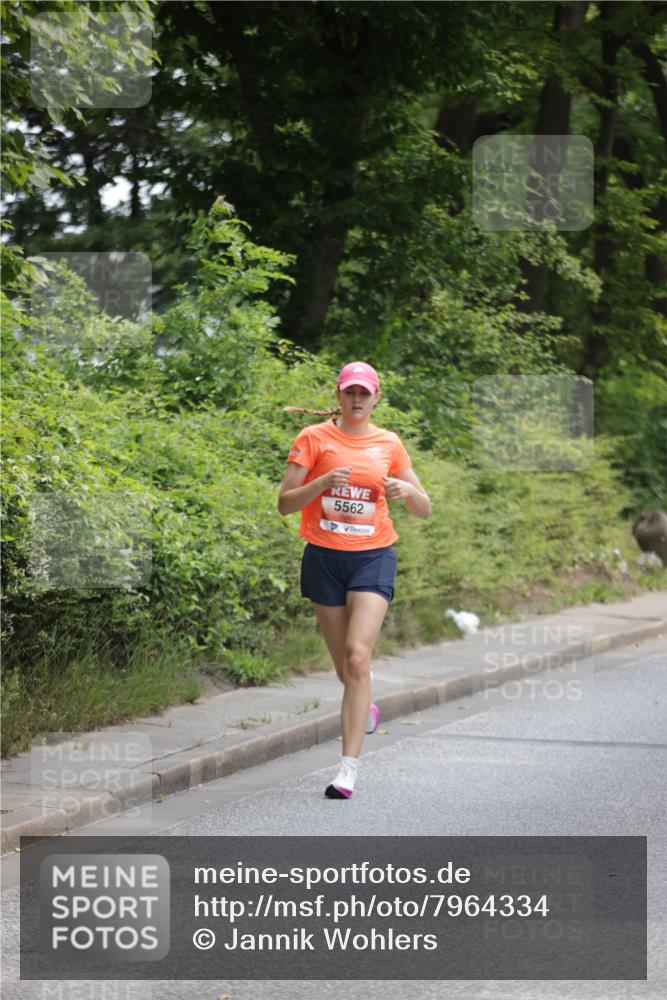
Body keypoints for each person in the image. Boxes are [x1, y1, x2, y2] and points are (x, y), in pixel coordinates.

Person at [277, 361, 431, 799]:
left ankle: (347, 770)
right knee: (345, 667)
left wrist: (410, 494)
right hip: (324, 558)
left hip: (373, 557)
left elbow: (425, 508)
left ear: (377, 397)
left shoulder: (389, 444)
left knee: (358, 659)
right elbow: (285, 504)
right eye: (351, 393)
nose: (358, 400)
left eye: (365, 393)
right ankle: (364, 705)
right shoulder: (313, 439)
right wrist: (323, 481)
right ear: (339, 396)